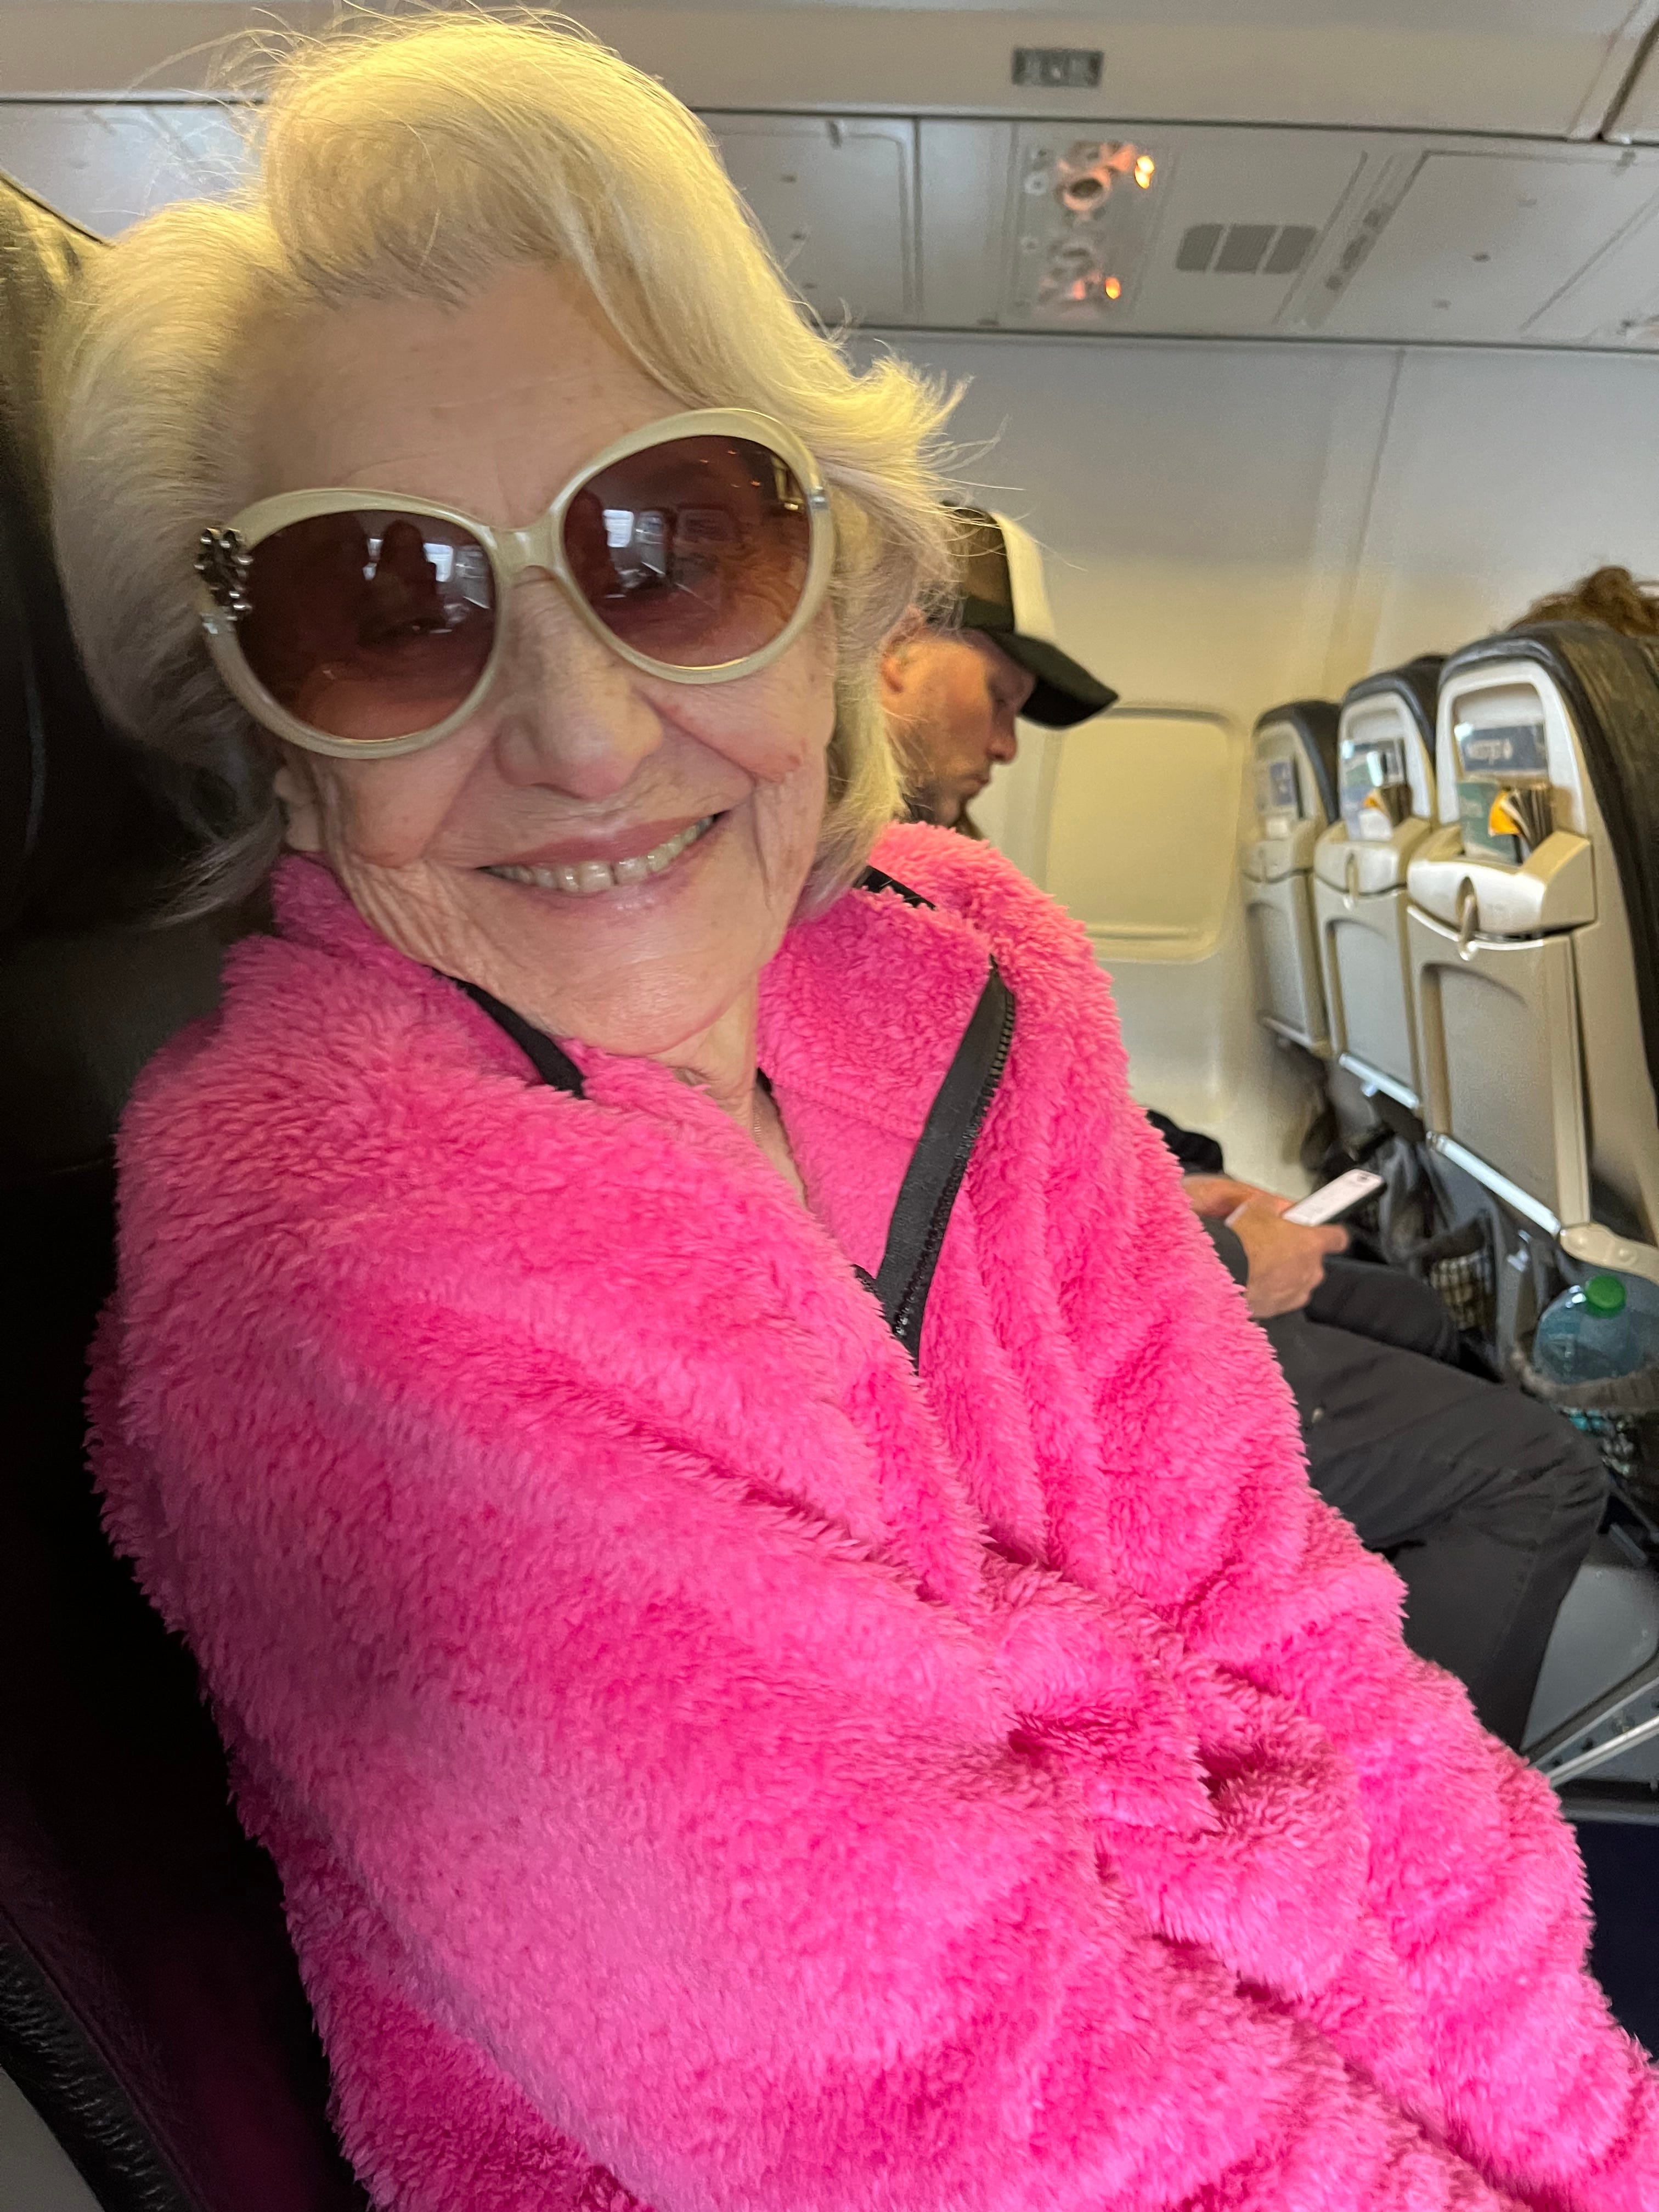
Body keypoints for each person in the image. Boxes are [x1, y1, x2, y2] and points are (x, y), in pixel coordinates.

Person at [58, 16, 1655, 2210]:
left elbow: (1295, 1635)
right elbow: (954, 2111)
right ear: (258, 719)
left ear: (830, 584)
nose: (585, 735)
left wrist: (1596, 2146)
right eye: (382, 604)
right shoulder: (334, 1289)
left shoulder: (967, 975)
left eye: (672, 545)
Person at [889, 513, 1607, 1750]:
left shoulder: (916, 872)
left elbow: (988, 1163)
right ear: (895, 644)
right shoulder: (869, 896)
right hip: (1044, 1379)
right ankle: (1395, 1820)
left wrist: (1170, 1195)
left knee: (1417, 1315)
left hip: (1070, 1303)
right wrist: (1218, 1264)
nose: (1008, 742)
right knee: (1538, 1474)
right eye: (998, 696)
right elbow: (925, 1251)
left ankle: (1304, 1675)